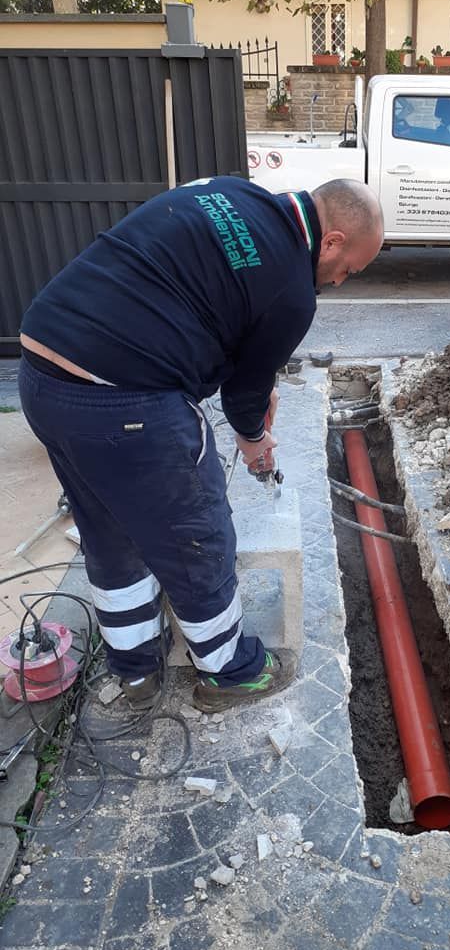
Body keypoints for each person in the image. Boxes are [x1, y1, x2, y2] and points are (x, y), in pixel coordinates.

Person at [18, 176, 384, 712]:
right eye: (349, 268)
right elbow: (244, 398)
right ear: (331, 242)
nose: (343, 281)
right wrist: (255, 437)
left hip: (42, 373)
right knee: (196, 534)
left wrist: (256, 386)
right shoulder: (293, 290)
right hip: (126, 401)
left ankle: (137, 671)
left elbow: (225, 309)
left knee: (108, 527)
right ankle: (228, 672)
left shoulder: (233, 194)